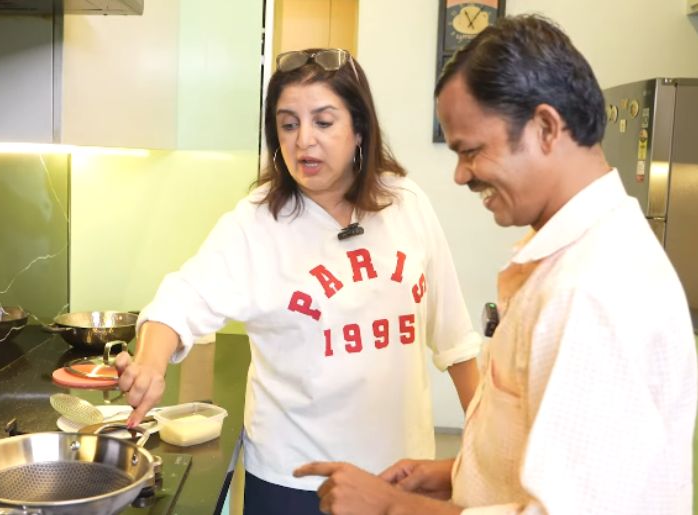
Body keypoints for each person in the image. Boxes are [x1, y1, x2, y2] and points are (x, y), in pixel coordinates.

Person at [294, 15, 698, 515]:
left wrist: (390, 508)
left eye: (471, 151)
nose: (461, 175)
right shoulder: (565, 259)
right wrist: (458, 473)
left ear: (546, 127)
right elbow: (562, 461)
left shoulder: (592, 290)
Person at [115, 48, 482, 514]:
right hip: (295, 480)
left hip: (399, 473)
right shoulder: (256, 223)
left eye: (324, 122)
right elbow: (182, 298)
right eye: (288, 124)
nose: (304, 140)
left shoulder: (405, 204)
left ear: (359, 128)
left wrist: (486, 449)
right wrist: (150, 362)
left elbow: (455, 338)